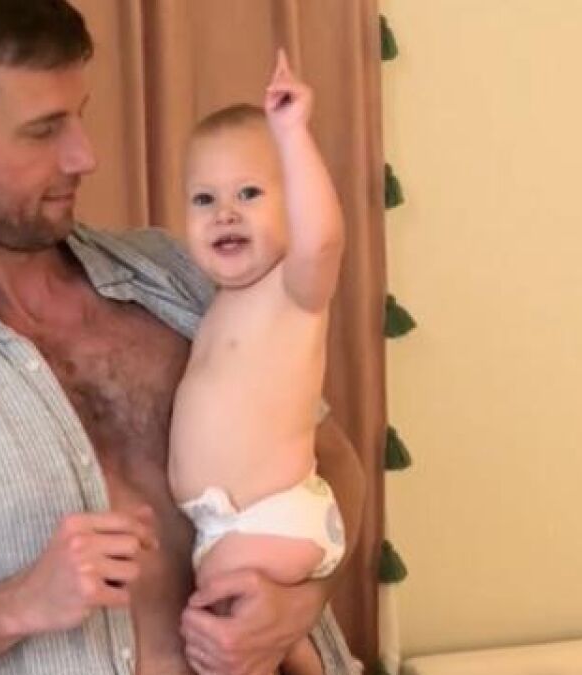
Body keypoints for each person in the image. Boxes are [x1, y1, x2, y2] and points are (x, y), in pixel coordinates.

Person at [0, 1, 366, 674]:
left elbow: (333, 461)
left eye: (79, 114)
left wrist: (303, 601)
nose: (86, 155)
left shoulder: (181, 275)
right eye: (44, 130)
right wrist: (14, 606)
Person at [169, 51, 346, 675]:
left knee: (224, 638)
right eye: (204, 199)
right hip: (234, 524)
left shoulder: (291, 290)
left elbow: (322, 240)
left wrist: (292, 134)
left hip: (268, 515)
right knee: (266, 641)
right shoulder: (221, 302)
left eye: (249, 193)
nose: (225, 212)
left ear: (290, 208)